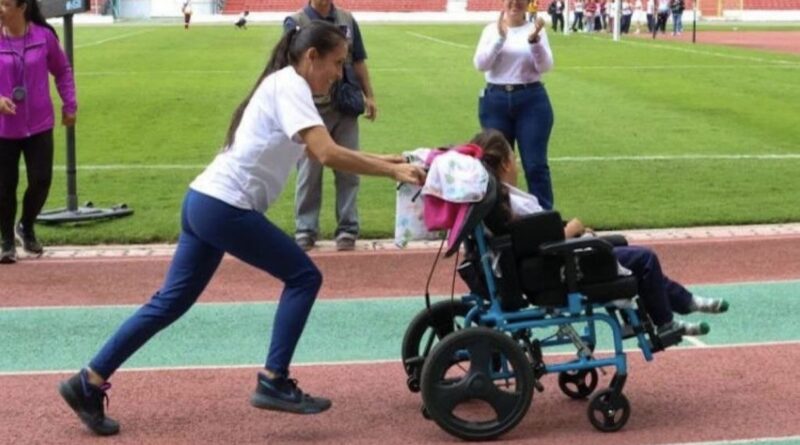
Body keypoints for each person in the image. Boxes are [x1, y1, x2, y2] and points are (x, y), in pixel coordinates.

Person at [57, 21, 425, 437]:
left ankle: (87, 380)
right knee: (304, 276)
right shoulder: (292, 88)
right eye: (337, 63)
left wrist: (392, 159)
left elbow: (324, 147)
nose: (340, 73)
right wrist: (392, 170)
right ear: (311, 57)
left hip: (202, 201)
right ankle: (274, 378)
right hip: (223, 207)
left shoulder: (283, 85)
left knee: (169, 303)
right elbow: (325, 153)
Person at [471, 128, 729, 336]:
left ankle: (685, 301)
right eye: (514, 159)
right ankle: (666, 323)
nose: (517, 165)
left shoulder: (497, 204)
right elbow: (544, 239)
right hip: (560, 270)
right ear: (505, 163)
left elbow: (536, 236)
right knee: (644, 259)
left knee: (627, 251)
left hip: (549, 264)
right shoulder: (511, 204)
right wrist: (574, 228)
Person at [284, 0, 378, 252]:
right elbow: (289, 66)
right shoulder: (296, 22)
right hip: (310, 109)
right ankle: (305, 229)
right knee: (309, 172)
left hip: (344, 106)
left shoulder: (347, 20)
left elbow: (358, 60)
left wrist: (369, 95)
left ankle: (347, 229)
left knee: (349, 168)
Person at [0, 0, 77, 264]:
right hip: (4, 128)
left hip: (39, 124)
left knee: (41, 180)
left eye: (5, 3)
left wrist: (70, 104)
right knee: (4, 187)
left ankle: (26, 225)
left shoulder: (44, 37)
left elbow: (63, 71)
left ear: (21, 8)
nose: (0, 8)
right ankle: (6, 242)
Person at [474, 0, 556, 210]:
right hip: (495, 100)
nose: (515, 4)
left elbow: (545, 66)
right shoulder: (491, 30)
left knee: (535, 165)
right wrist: (500, 39)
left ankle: (544, 218)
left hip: (531, 100)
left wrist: (535, 42)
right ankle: (502, 217)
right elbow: (481, 64)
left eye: (521, 1)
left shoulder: (534, 30)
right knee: (495, 164)